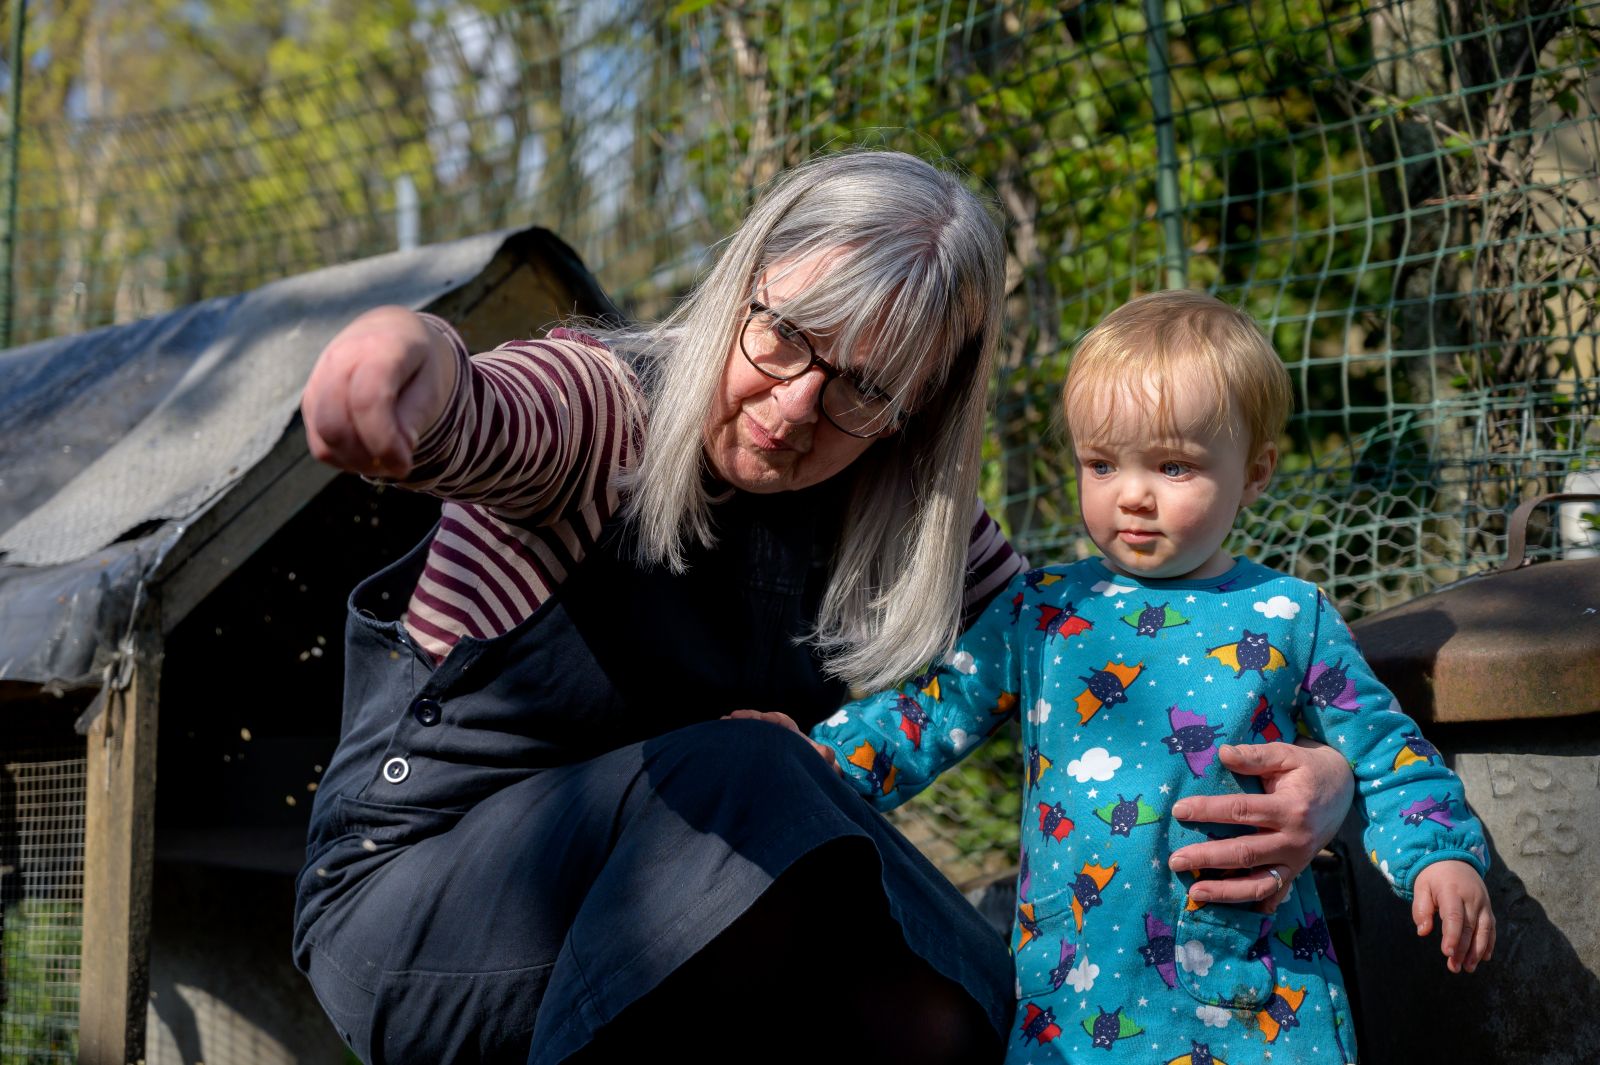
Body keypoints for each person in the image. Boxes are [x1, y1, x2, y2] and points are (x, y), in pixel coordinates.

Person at [291, 152, 1357, 1065]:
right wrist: (403, 355)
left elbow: (1109, 654)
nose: (795, 408)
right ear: (742, 285)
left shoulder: (904, 522)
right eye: (785, 335)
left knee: (978, 998)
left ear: (916, 409)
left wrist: (1318, 774)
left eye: (862, 388)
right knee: (758, 771)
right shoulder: (600, 409)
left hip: (677, 938)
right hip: (421, 915)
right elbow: (482, 410)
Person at [762, 289, 1494, 1062]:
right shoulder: (1041, 611)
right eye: (1102, 463)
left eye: (1173, 465)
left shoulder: (1288, 614)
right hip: (1075, 995)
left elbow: (1386, 749)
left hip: (1254, 997)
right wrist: (812, 764)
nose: (1133, 494)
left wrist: (1440, 852)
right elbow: (930, 714)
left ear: (1255, 472)